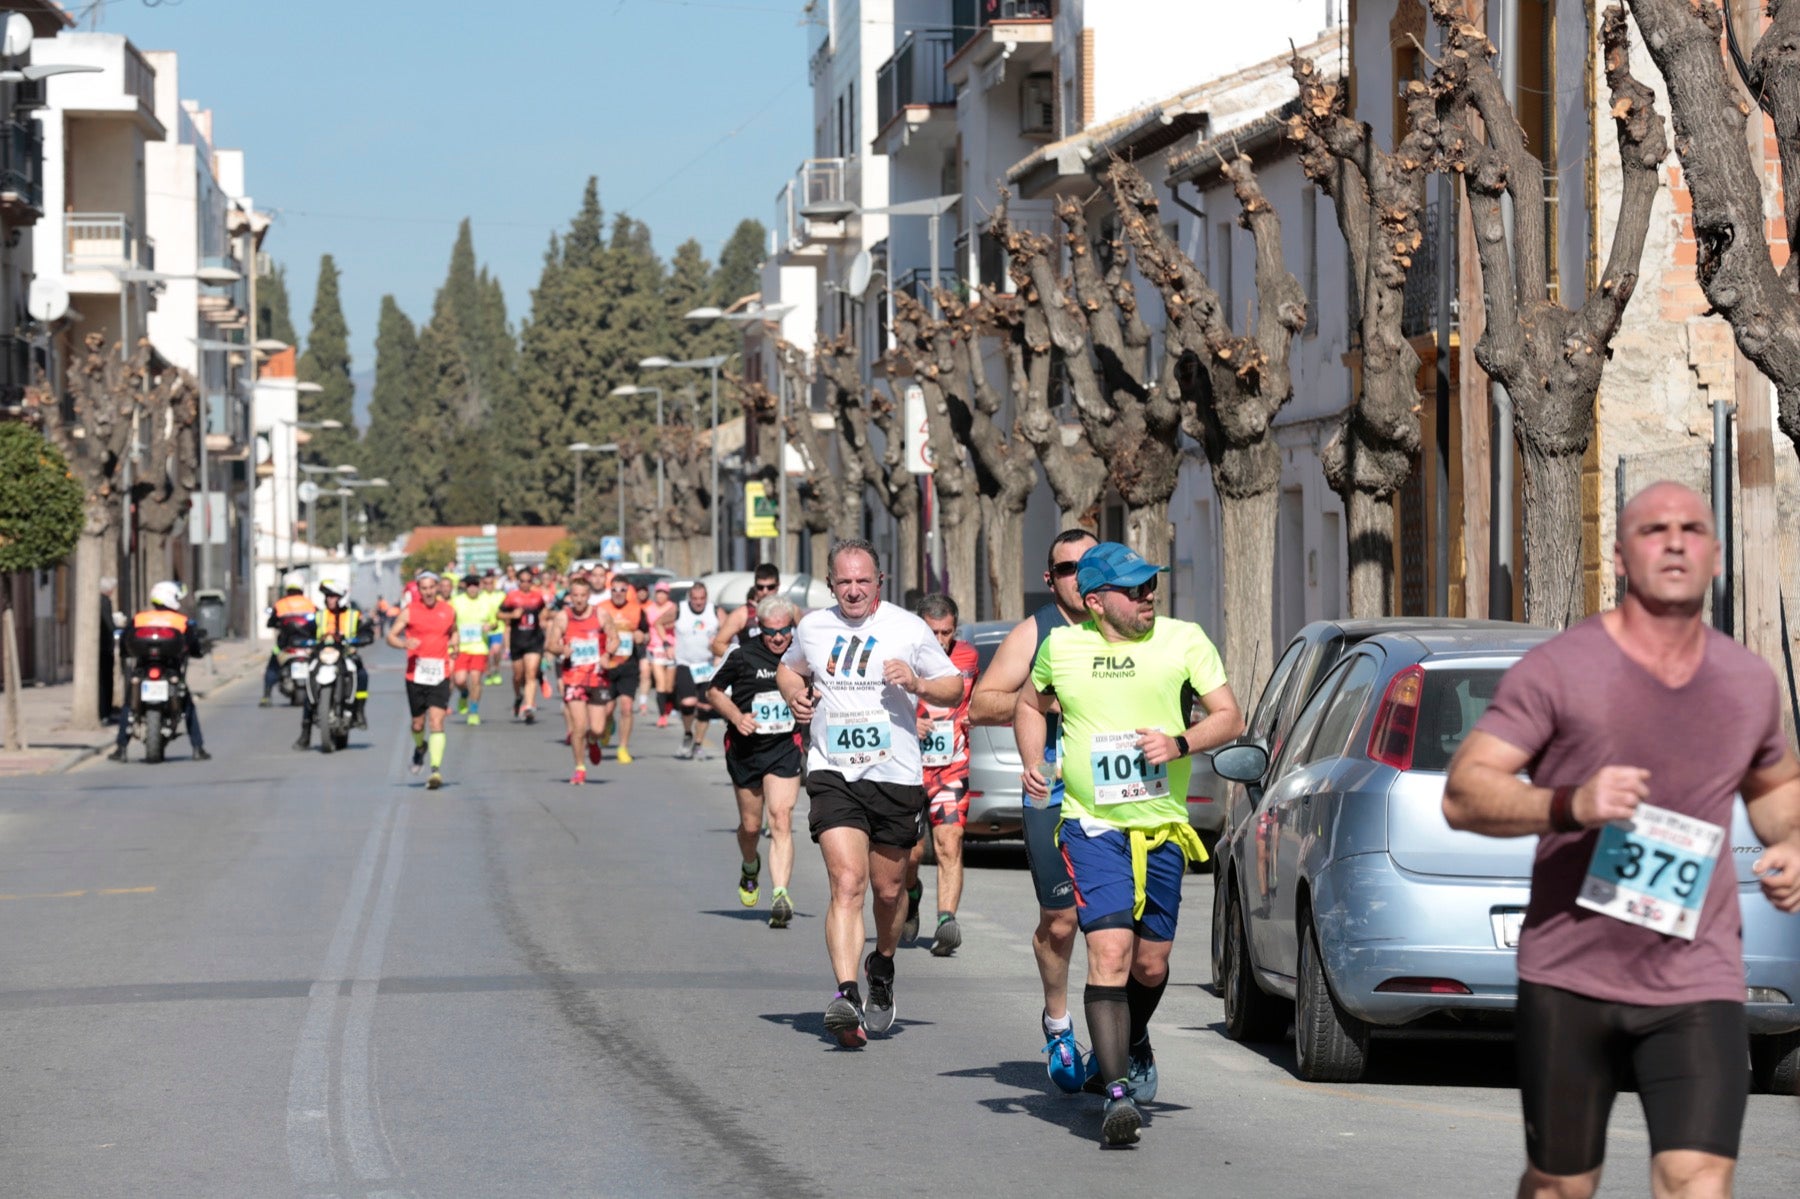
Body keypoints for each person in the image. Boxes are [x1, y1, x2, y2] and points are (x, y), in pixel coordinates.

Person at [1443, 481, 1800, 1199]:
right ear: (1620, 555)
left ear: (1716, 555)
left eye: (1692, 528)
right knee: (1560, 1185)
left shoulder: (1748, 681)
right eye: (1654, 529)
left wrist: (1792, 841)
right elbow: (1464, 789)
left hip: (1697, 976)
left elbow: (1775, 788)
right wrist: (1571, 802)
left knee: (1699, 1180)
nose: (1674, 541)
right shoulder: (1562, 668)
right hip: (1571, 977)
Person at [1015, 541, 1243, 1146]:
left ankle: (1131, 1038)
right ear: (1094, 602)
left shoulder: (1184, 639)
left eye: (1150, 586)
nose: (1149, 596)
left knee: (1151, 962)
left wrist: (1181, 742)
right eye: (1134, 589)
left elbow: (1229, 716)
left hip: (1162, 828)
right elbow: (1028, 703)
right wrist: (1032, 758)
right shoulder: (1062, 648)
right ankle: (1116, 1093)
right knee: (1111, 952)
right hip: (1092, 824)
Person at [775, 539, 963, 1048]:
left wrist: (919, 684)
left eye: (863, 581)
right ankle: (845, 993)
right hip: (833, 771)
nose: (853, 590)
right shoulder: (813, 626)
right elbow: (789, 667)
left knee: (887, 890)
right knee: (847, 882)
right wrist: (795, 694)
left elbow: (954, 687)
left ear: (878, 582)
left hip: (895, 775)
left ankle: (881, 963)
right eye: (844, 582)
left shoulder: (908, 627)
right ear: (831, 583)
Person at [968, 527, 1098, 1088]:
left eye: (1089, 565)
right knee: (1062, 921)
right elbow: (981, 702)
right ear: (1051, 580)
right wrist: (1049, 696)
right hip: (1051, 786)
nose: (1079, 576)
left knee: (1123, 929)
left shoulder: (1126, 626)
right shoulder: (1036, 631)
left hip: (1119, 791)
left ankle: (1126, 1040)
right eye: (1067, 569)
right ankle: (1060, 1022)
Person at [707, 593, 806, 929]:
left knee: (780, 817)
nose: (779, 638)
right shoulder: (741, 654)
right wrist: (737, 717)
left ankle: (780, 894)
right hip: (746, 749)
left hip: (784, 746)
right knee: (751, 827)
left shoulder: (802, 654)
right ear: (759, 628)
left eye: (785, 631)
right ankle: (750, 865)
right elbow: (714, 691)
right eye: (771, 632)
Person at [901, 593, 980, 956]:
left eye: (946, 632)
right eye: (932, 632)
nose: (939, 641)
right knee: (911, 855)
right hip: (907, 771)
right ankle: (911, 896)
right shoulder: (900, 658)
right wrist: (908, 720)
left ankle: (946, 920)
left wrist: (975, 714)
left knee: (950, 842)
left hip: (952, 767)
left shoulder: (968, 657)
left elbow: (980, 695)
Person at [112, 580, 210, 762]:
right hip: (171, 668)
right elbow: (194, 645)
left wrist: (125, 654)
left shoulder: (140, 618)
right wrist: (197, 652)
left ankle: (121, 748)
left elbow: (126, 640)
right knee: (187, 706)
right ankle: (198, 748)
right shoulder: (181, 621)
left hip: (142, 668)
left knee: (129, 705)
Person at [386, 570, 456, 789]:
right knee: (418, 724)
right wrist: (404, 644)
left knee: (437, 721)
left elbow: (454, 632)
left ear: (437, 588)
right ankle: (420, 747)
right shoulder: (409, 612)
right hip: (415, 674)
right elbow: (391, 637)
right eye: (423, 588)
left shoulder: (448, 611)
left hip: (440, 673)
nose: (428, 592)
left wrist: (455, 645)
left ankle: (435, 771)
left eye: (431, 587)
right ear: (419, 589)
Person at [546, 574, 618, 784]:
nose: (579, 600)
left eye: (583, 595)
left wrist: (607, 654)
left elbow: (614, 638)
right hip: (574, 677)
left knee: (596, 728)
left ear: (589, 596)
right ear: (570, 595)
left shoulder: (601, 614)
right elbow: (550, 644)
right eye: (575, 595)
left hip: (597, 676)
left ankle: (593, 741)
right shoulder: (563, 617)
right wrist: (561, 648)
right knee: (578, 727)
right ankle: (580, 768)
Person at [297, 580, 373, 749]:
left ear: (342, 598)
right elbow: (303, 631)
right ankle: (305, 733)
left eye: (333, 596)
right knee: (309, 680)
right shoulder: (319, 615)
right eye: (328, 596)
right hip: (322, 655)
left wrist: (361, 639)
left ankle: (359, 712)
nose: (330, 600)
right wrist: (302, 641)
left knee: (361, 675)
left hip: (346, 654)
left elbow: (366, 631)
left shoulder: (354, 615)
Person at [670, 580, 722, 759]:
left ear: (706, 598)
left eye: (702, 598)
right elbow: (659, 624)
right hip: (686, 662)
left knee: (706, 706)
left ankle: (698, 744)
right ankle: (687, 733)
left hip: (707, 664)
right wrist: (667, 643)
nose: (698, 602)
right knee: (688, 703)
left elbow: (730, 630)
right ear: (689, 598)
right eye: (695, 598)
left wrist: (719, 649)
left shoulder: (714, 611)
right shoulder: (680, 609)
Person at [599, 575, 647, 764]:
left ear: (628, 591)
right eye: (614, 590)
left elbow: (646, 634)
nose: (618, 594)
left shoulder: (636, 610)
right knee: (607, 709)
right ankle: (608, 724)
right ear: (609, 591)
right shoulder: (602, 608)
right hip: (608, 665)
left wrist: (641, 636)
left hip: (629, 664)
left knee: (626, 707)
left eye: (622, 590)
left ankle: (623, 748)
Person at [450, 574, 502, 725]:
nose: (472, 588)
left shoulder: (486, 602)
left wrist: (489, 626)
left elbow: (495, 622)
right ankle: (464, 694)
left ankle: (473, 711)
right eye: (469, 585)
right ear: (465, 587)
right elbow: (449, 620)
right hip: (462, 647)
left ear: (479, 587)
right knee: (459, 680)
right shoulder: (457, 602)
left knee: (475, 679)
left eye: (475, 585)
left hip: (479, 647)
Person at [501, 566, 550, 723]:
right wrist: (511, 615)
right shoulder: (511, 597)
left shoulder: (537, 597)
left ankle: (529, 706)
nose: (525, 584)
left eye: (529, 581)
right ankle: (518, 697)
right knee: (518, 676)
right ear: (518, 581)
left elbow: (544, 610)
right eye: (522, 581)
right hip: (517, 641)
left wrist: (543, 620)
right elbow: (499, 613)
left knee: (531, 674)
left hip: (534, 640)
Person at [261, 579, 317, 706]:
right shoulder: (309, 604)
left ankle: (266, 696)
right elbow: (317, 623)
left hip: (285, 644)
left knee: (273, 666)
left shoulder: (281, 604)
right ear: (301, 590)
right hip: (308, 644)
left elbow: (270, 623)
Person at [712, 563, 781, 658]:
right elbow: (717, 645)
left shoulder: (790, 610)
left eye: (770, 587)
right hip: (751, 670)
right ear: (755, 586)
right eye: (760, 587)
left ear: (778, 586)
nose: (765, 592)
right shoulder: (743, 613)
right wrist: (744, 658)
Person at [645, 581, 678, 727]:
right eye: (658, 592)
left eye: (663, 592)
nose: (660, 595)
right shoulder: (649, 609)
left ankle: (668, 705)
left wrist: (666, 625)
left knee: (669, 686)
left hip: (672, 648)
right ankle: (662, 716)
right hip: (655, 647)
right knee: (660, 683)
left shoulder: (673, 608)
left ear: (668, 594)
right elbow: (648, 626)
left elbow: (675, 623)